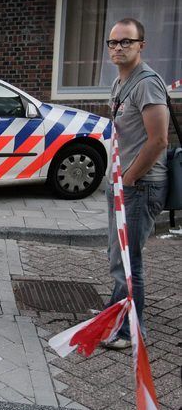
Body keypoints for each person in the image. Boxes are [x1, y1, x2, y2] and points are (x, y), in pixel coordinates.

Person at [102, 18, 169, 349]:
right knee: (119, 257)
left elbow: (158, 141)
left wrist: (129, 178)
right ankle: (117, 313)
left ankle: (130, 331)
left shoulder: (147, 84)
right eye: (113, 43)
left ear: (141, 44)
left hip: (140, 186)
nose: (118, 48)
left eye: (126, 42)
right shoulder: (120, 83)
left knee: (130, 261)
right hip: (123, 184)